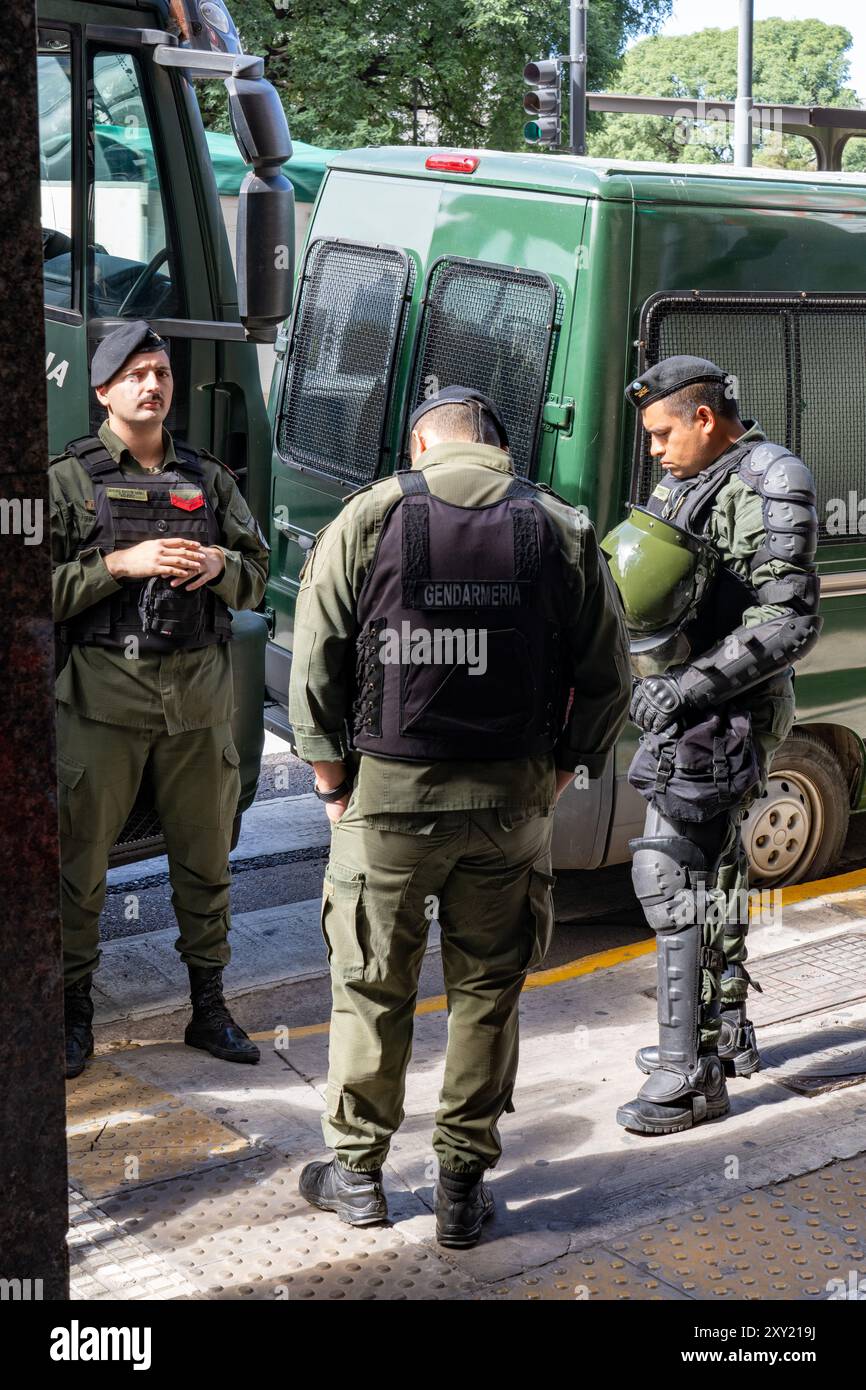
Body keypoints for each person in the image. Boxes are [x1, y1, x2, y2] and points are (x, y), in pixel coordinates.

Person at [289, 385, 631, 1247]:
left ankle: (360, 1177)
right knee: (487, 993)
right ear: (498, 446)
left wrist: (335, 790)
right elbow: (608, 676)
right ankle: (460, 1190)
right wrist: (558, 770)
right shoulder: (560, 527)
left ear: (420, 445)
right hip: (511, 811)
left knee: (371, 988)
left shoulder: (368, 518)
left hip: (389, 809)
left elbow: (315, 668)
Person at [602, 355, 821, 1136]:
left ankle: (686, 1079)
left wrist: (686, 687)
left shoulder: (772, 478)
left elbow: (791, 620)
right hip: (691, 708)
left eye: (663, 433)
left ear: (704, 418)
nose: (656, 450)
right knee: (713, 878)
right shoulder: (692, 476)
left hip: (724, 712)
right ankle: (717, 1036)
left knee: (672, 872)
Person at [51, 320, 269, 1078]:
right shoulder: (64, 481)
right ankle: (72, 1012)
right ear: (103, 391)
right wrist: (121, 562)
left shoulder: (210, 481)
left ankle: (208, 1007)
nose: (153, 384)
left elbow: (258, 571)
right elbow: (33, 593)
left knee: (207, 863)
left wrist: (217, 563)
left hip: (199, 704)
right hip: (102, 705)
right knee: (78, 867)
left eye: (162, 373)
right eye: (136, 374)